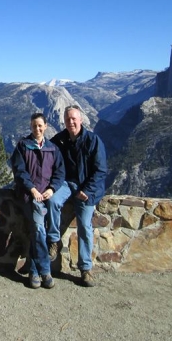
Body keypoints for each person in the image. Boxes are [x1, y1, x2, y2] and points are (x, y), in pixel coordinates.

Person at [46, 105, 107, 287]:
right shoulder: (59, 140)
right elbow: (46, 157)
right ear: (64, 122)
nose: (71, 122)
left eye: (73, 118)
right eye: (67, 119)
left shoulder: (93, 141)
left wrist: (87, 190)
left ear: (81, 120)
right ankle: (55, 241)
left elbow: (101, 170)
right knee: (52, 200)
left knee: (84, 226)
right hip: (66, 184)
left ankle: (86, 269)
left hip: (88, 188)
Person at [11, 112, 65, 289]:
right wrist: (32, 190)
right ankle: (45, 271)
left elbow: (59, 173)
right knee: (40, 229)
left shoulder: (53, 149)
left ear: (46, 126)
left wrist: (52, 189)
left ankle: (34, 272)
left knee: (37, 231)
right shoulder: (23, 146)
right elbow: (20, 172)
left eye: (40, 125)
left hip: (45, 195)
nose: (37, 129)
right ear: (30, 127)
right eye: (34, 126)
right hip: (29, 196)